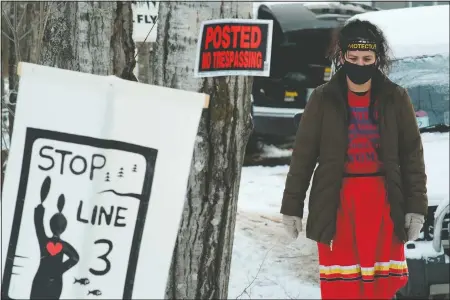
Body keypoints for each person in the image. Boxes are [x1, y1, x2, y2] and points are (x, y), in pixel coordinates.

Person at [280, 19, 427, 299]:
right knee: (342, 288)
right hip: (338, 205)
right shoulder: (323, 99)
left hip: (384, 204)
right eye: (354, 57)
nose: (360, 64)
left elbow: (412, 157)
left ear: (377, 59)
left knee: (380, 289)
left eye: (367, 58)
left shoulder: (396, 98)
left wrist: (416, 207)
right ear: (342, 57)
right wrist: (291, 207)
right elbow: (303, 157)